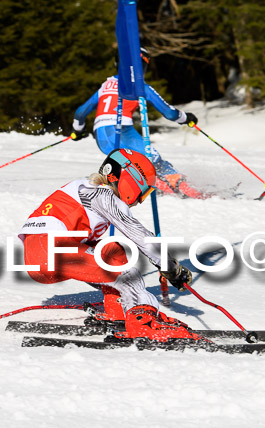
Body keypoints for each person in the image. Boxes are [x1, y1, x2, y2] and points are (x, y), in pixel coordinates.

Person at [20, 148, 203, 342]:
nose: (140, 200)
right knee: (126, 275)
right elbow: (138, 233)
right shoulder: (101, 194)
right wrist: (170, 267)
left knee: (112, 252)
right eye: (144, 192)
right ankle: (144, 325)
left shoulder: (87, 190)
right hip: (50, 250)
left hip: (42, 253)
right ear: (132, 179)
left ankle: (119, 315)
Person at [70, 47, 205, 199]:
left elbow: (81, 111)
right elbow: (169, 113)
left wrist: (78, 130)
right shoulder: (141, 87)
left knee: (131, 164)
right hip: (121, 130)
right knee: (154, 161)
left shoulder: (106, 85)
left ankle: (159, 187)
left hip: (101, 136)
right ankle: (184, 188)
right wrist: (185, 118)